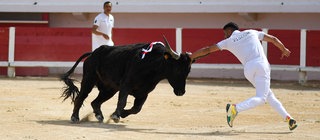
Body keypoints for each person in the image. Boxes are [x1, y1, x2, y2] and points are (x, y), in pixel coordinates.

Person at [190, 22, 298, 131]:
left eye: (224, 33)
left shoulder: (228, 41)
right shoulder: (251, 32)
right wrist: (283, 49)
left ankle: (289, 119)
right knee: (261, 98)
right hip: (261, 65)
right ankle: (235, 108)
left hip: (248, 70)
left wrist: (191, 57)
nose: (224, 36)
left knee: (268, 94)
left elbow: (207, 49)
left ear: (229, 31)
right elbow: (273, 39)